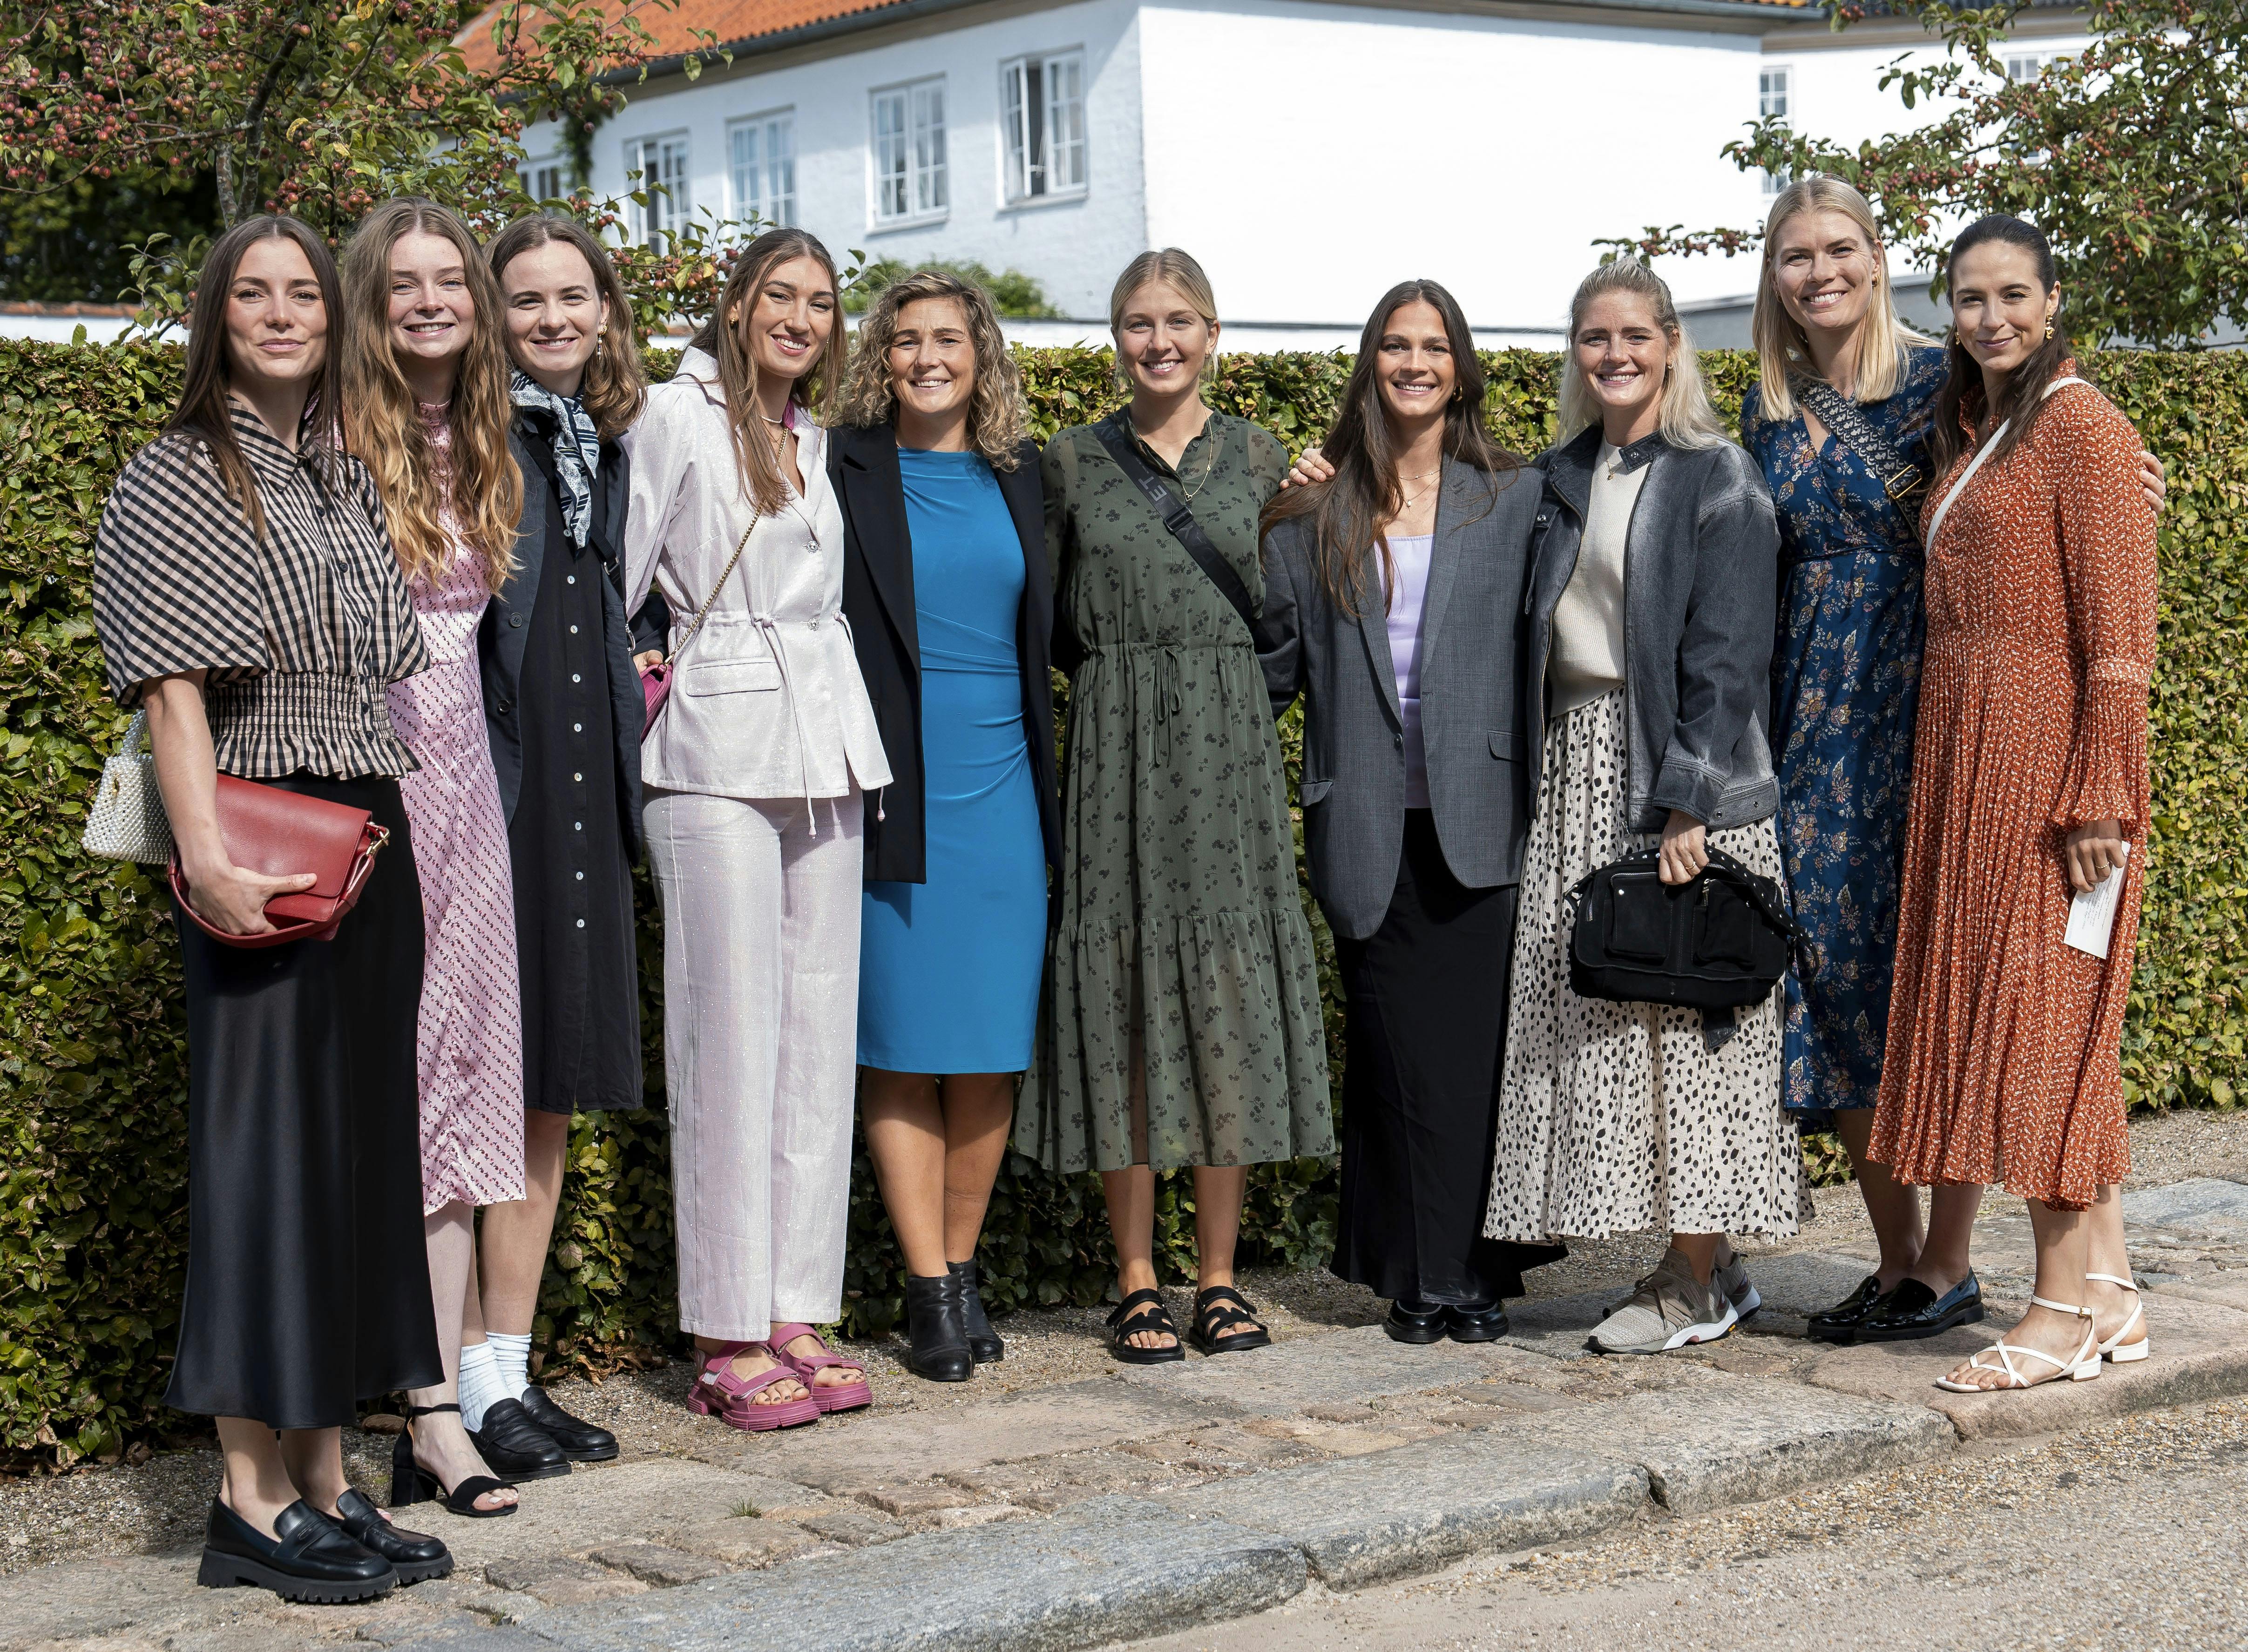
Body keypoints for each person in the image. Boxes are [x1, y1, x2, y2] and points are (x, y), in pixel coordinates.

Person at [1740, 178, 2168, 1347]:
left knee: (1993, 977)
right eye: (1794, 255)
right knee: (1835, 972)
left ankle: (1968, 1262)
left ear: (1877, 262)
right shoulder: (1767, 406)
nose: (1818, 272)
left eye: (1839, 249)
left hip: (1952, 709)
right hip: (1822, 712)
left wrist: (2137, 491)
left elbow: (2071, 497)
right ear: (1773, 273)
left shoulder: (1953, 382)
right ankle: (1906, 1256)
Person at [91, 214, 451, 1598]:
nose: (286, 311)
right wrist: (204, 855)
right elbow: (174, 691)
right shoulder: (180, 471)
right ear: (217, 315)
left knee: (356, 1159)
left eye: (305, 290)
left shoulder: (349, 473)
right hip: (258, 828)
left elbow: (387, 660)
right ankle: (246, 1497)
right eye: (256, 291)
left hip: (371, 827)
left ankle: (326, 1478)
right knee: (264, 1165)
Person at [1015, 247, 1333, 1363]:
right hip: (1112, 741)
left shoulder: (1259, 457)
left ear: (1212, 335)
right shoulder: (1064, 461)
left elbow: (1286, 607)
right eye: (1138, 324)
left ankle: (1220, 1277)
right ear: (1115, 340)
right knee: (1123, 991)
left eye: (1179, 321)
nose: (1158, 341)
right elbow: (1047, 624)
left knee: (1225, 992)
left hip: (1227, 746)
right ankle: (1136, 1277)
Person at [1482, 258, 1801, 1355]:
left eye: (1632, 334)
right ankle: (1709, 1262)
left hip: (1677, 777)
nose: (1612, 354)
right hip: (1574, 766)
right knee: (1610, 1025)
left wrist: (1688, 803)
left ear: (1670, 341)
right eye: (1590, 337)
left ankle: (1691, 1279)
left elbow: (1728, 654)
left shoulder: (1718, 474)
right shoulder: (1561, 472)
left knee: (1691, 1029)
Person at [1873, 214, 2156, 1391]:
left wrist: (2100, 791)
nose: (1990, 316)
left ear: (2051, 301)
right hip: (1969, 759)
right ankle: (2111, 1295)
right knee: (2035, 1018)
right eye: (1968, 297)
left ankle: (2052, 1313)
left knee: (2044, 1025)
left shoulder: (2080, 423)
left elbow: (2119, 636)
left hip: (2052, 772)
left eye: (2011, 295)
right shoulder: (1983, 426)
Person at [1258, 280, 1563, 1343]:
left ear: (1461, 364)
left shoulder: (1514, 497)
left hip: (1482, 816)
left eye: (1434, 346)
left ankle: (1465, 1275)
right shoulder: (1317, 507)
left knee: (1473, 1061)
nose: (1415, 363)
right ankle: (1417, 1275)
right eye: (1395, 345)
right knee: (1391, 1063)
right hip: (1365, 819)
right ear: (1370, 362)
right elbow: (1274, 664)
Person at [624, 228, 890, 1428]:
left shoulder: (814, 436)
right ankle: (727, 1324)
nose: (800, 317)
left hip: (826, 736)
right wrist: (639, 674)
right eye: (779, 295)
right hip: (712, 746)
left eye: (821, 302)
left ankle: (795, 1304)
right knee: (725, 1035)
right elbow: (615, 579)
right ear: (734, 306)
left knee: (814, 1028)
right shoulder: (674, 417)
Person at [339, 196, 531, 1514]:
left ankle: (443, 1405)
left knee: (465, 1088)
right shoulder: (336, 436)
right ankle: (403, 1399)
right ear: (371, 301)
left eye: (448, 279)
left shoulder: (488, 437)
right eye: (401, 282)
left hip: (470, 783)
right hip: (369, 776)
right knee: (388, 1092)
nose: (426, 300)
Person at [833, 269, 1058, 1381]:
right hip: (890, 783)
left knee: (985, 1051)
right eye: (907, 339)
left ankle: (962, 1271)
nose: (927, 357)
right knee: (899, 1046)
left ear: (982, 356)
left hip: (1005, 784)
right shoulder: (843, 466)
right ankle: (925, 1289)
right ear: (881, 355)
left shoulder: (1024, 474)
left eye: (949, 340)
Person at [458, 213, 651, 1467]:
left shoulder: (598, 445)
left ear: (603, 306)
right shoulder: (474, 443)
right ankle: (462, 1382)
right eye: (525, 299)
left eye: (571, 294)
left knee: (548, 1094)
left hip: (586, 790)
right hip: (501, 796)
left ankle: (507, 1372)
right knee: (480, 1089)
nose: (552, 318)